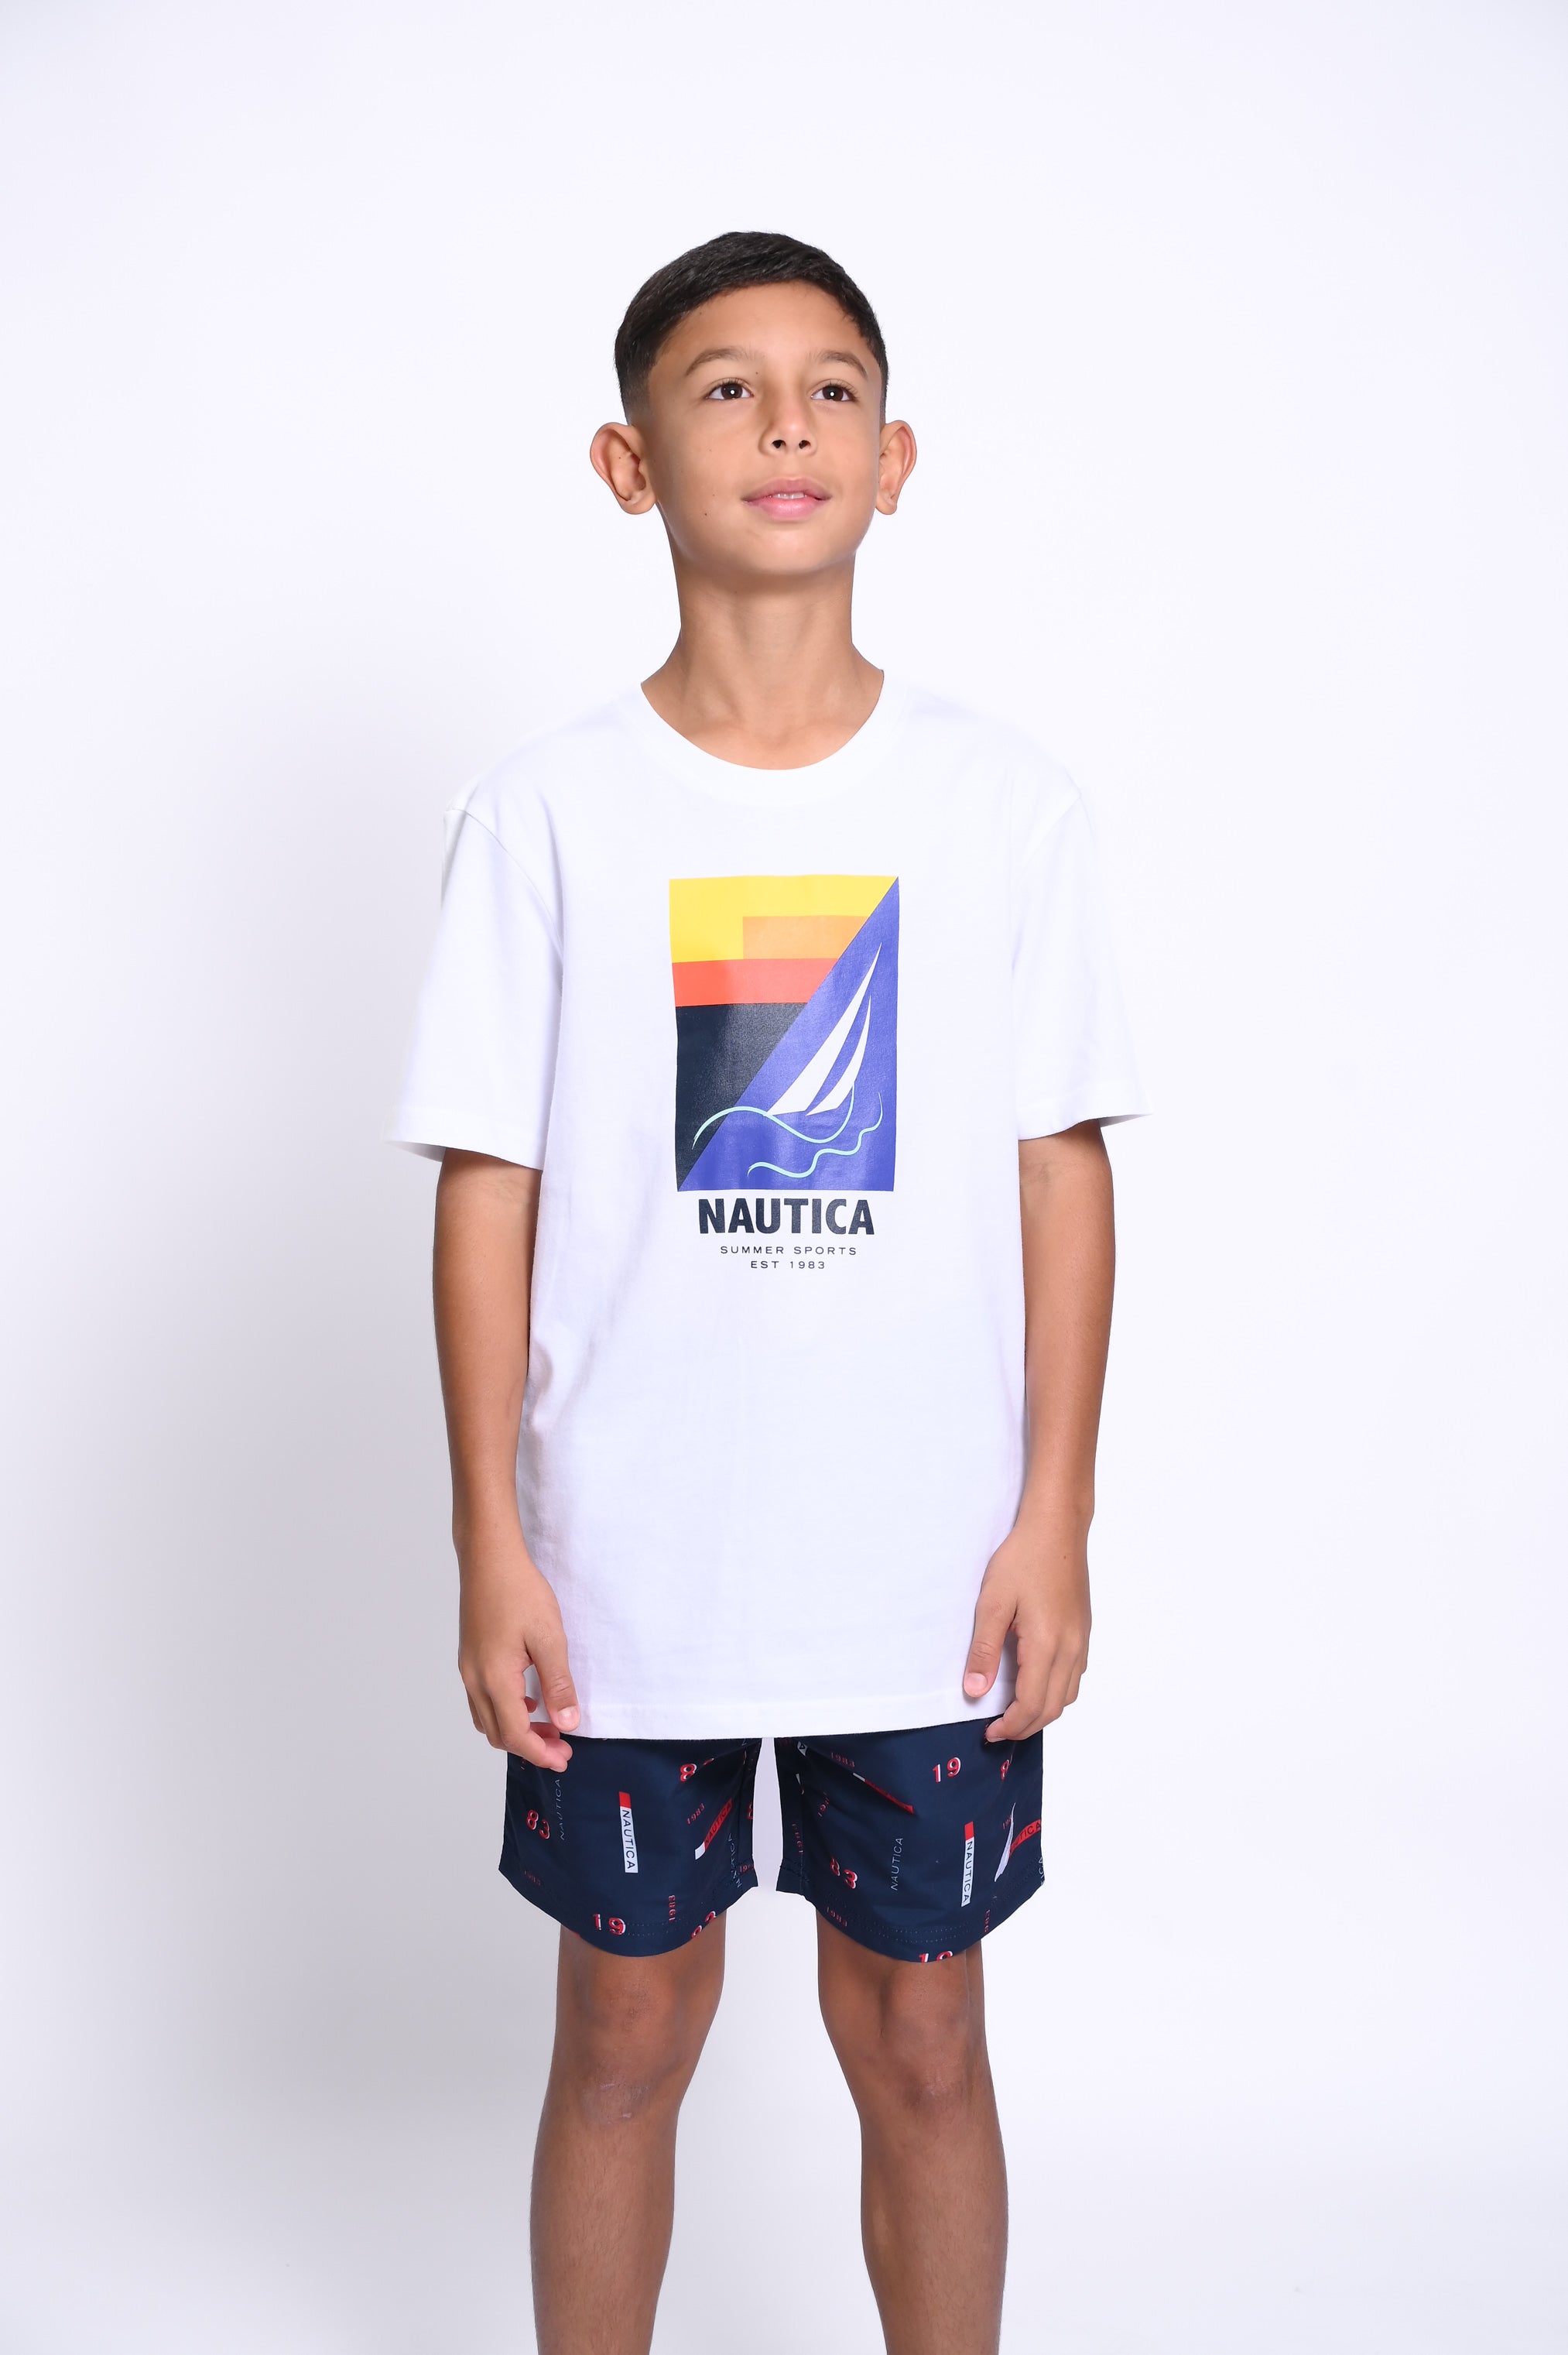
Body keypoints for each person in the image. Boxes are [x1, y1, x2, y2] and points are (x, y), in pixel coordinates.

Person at [390, 228, 1145, 2355]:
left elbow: (1061, 1169)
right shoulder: (545, 814)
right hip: (629, 1565)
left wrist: (1056, 1513)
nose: (785, 421)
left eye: (830, 387)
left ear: (894, 460)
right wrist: (490, 1538)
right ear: (629, 465)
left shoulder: (1002, 807)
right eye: (724, 386)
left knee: (924, 2036)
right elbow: (487, 1189)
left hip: (922, 1569)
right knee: (623, 2032)